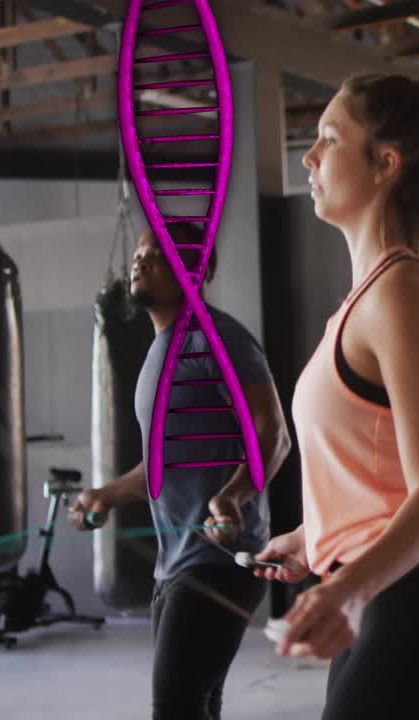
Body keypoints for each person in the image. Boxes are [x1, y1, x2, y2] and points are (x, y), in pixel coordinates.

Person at [252, 73, 419, 720]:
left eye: (329, 138)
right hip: (380, 601)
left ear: (385, 164)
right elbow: (372, 474)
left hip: (412, 608)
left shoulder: (399, 293)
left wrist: (348, 590)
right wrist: (311, 537)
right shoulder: (365, 300)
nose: (309, 156)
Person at [70, 226, 292, 720]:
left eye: (158, 255)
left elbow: (273, 436)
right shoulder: (160, 353)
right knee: (197, 705)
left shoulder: (217, 340)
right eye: (139, 253)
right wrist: (106, 494)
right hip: (175, 563)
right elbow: (162, 463)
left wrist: (234, 495)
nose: (141, 261)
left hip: (219, 562)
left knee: (177, 708)